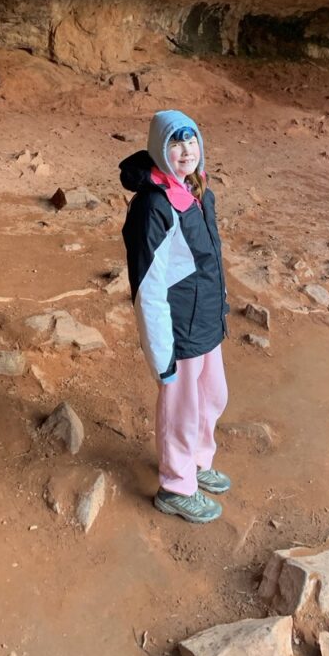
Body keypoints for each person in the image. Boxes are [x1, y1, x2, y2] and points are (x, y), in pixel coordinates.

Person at [119, 109, 230, 523]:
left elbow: (209, 260)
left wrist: (220, 308)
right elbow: (148, 286)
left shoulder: (197, 193)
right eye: (175, 144)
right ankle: (176, 486)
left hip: (205, 321)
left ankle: (198, 461)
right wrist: (160, 352)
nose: (186, 151)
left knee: (213, 395)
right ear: (159, 150)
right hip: (179, 327)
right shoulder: (154, 206)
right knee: (181, 406)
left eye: (191, 141)